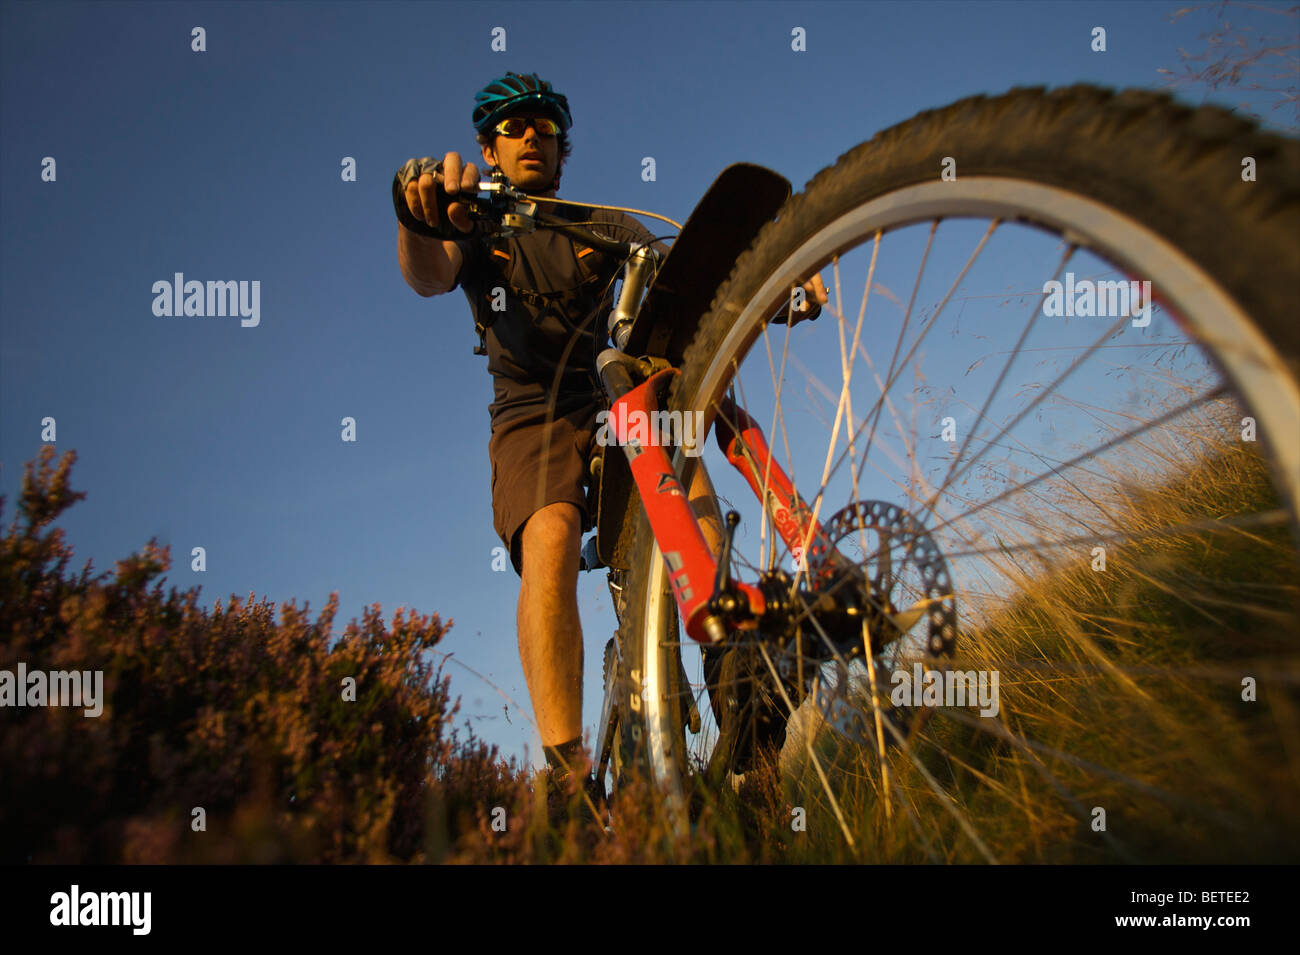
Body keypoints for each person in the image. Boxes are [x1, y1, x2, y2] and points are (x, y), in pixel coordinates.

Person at [393, 72, 827, 812]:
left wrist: (778, 292)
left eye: (545, 127)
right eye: (513, 126)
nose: (531, 135)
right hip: (534, 412)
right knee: (552, 536)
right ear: (488, 148)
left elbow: (697, 289)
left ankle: (746, 725)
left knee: (693, 496)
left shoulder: (610, 225)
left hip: (619, 392)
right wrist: (420, 213)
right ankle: (569, 782)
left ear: (562, 148)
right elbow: (429, 274)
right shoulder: (480, 225)